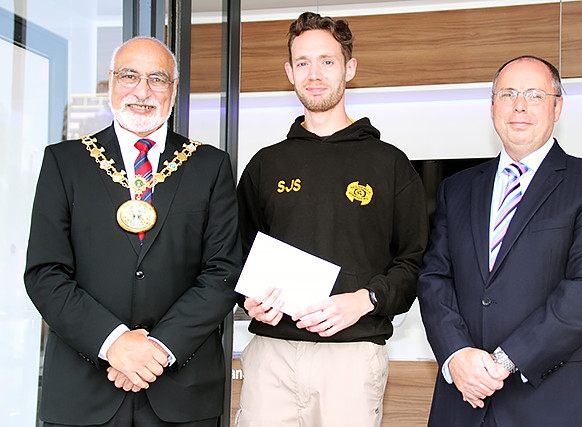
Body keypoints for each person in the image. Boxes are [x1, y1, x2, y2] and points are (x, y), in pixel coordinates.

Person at [24, 36, 242, 426]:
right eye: (129, 75)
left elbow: (223, 274)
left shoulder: (210, 166)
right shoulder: (65, 162)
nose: (142, 91)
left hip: (182, 391)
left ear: (174, 89)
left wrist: (155, 350)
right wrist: (115, 344)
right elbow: (45, 274)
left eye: (158, 79)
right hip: (83, 391)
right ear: (111, 81)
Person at [234, 11, 428, 427]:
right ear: (289, 72)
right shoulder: (265, 165)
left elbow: (416, 262)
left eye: (327, 61)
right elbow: (234, 257)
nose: (314, 74)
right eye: (302, 63)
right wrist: (246, 299)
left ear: (349, 68)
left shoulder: (389, 164)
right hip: (271, 356)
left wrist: (365, 300)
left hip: (352, 358)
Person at [417, 55, 582, 427]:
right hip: (464, 401)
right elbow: (435, 278)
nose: (519, 106)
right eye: (508, 94)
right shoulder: (457, 189)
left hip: (557, 402)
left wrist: (503, 360)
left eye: (534, 94)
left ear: (557, 106)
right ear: (492, 105)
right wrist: (457, 355)